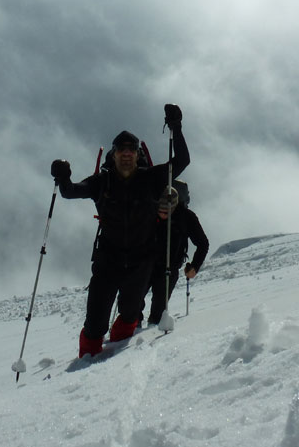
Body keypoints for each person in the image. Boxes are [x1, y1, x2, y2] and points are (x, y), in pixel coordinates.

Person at [51, 104, 189, 357]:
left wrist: (176, 127)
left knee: (129, 316)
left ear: (137, 155)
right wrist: (62, 179)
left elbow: (182, 161)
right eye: (121, 150)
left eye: (131, 150)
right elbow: (71, 191)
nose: (127, 154)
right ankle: (86, 363)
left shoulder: (151, 178)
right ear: (113, 155)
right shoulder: (101, 182)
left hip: (140, 261)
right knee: (95, 324)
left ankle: (114, 362)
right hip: (107, 262)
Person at [142, 180, 209, 326]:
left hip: (169, 267)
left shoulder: (186, 217)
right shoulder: (149, 211)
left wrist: (194, 267)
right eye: (159, 211)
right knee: (132, 304)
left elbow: (202, 244)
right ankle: (131, 332)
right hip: (145, 263)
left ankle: (150, 333)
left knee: (158, 309)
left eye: (166, 212)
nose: (162, 215)